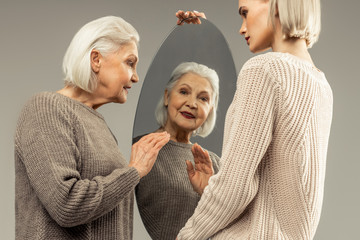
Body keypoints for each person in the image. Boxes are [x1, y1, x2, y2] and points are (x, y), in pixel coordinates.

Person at [175, 0, 333, 239]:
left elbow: (236, 188)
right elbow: (283, 193)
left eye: (245, 13)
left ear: (277, 5)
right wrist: (204, 38)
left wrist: (187, 236)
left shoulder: (264, 70)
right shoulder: (322, 86)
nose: (242, 28)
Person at [14, 16, 170, 239]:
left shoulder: (99, 125)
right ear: (96, 59)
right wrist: (133, 171)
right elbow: (66, 205)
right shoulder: (45, 108)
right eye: (130, 62)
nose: (135, 77)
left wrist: (188, 32)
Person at [134, 62, 221, 240]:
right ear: (167, 97)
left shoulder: (215, 164)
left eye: (203, 98)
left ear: (210, 110)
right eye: (184, 92)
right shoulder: (139, 148)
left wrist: (208, 194)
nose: (192, 103)